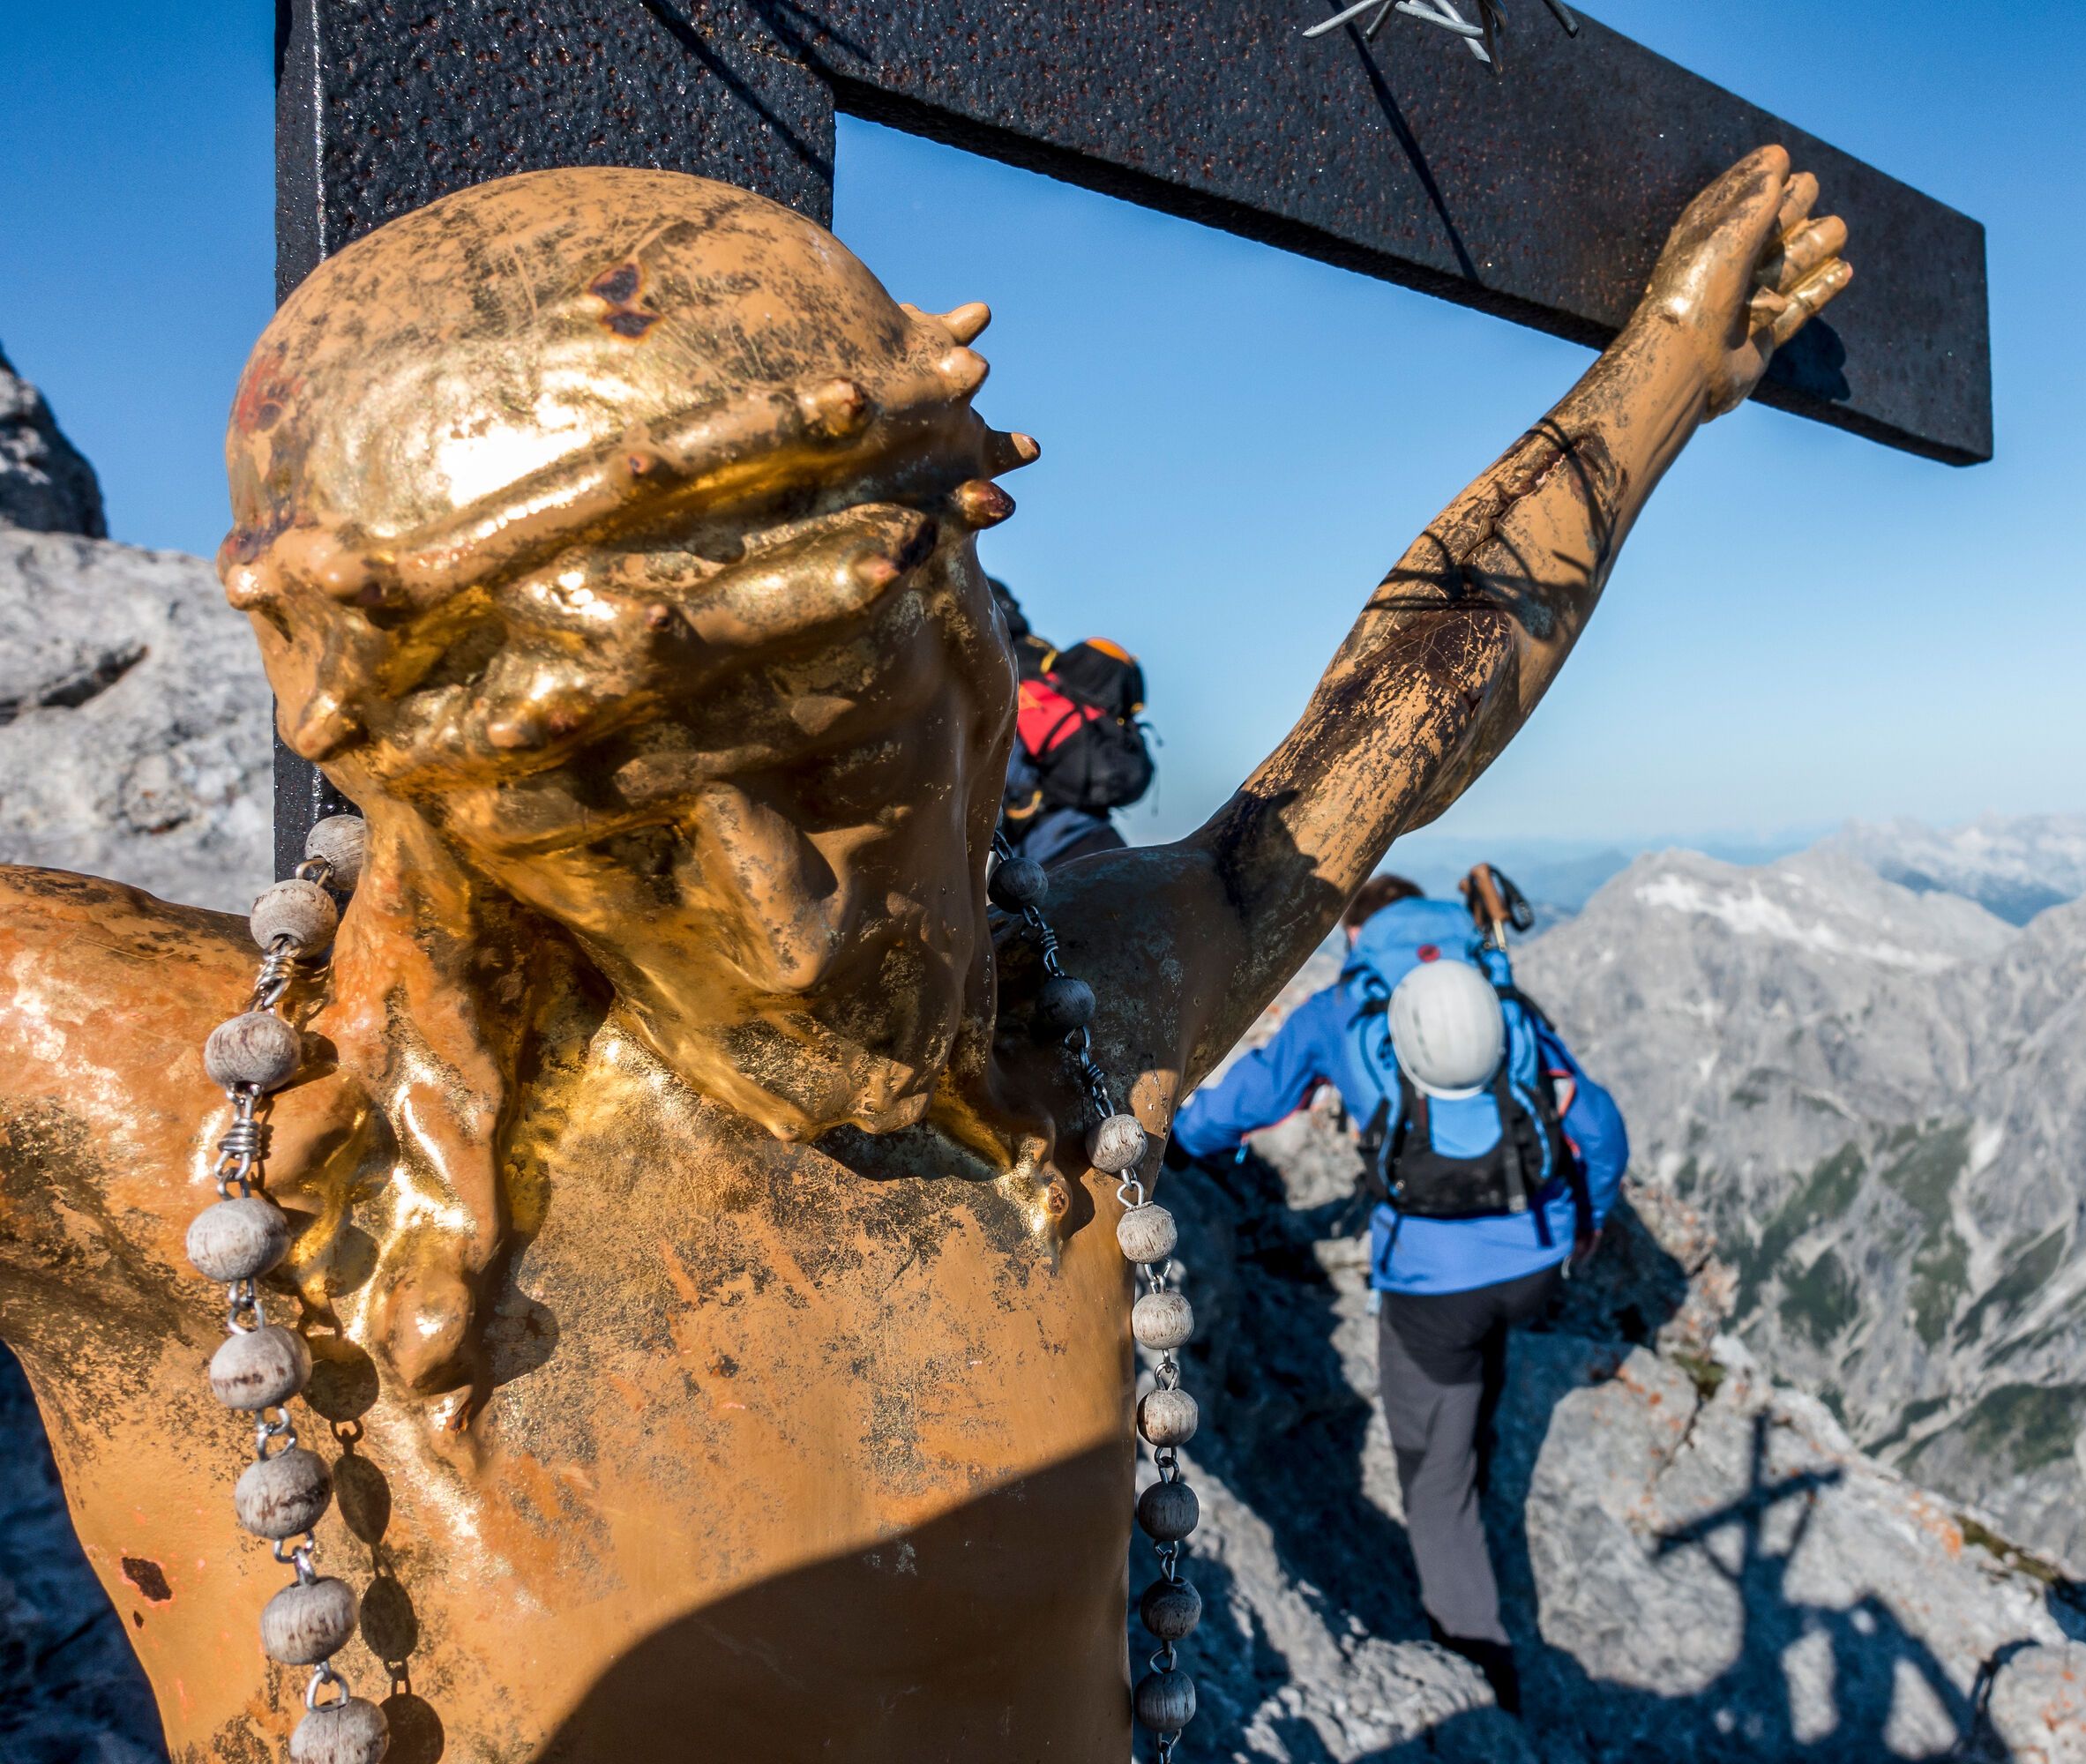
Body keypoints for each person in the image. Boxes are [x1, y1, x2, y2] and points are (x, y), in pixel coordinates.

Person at [0, 144, 1847, 1760]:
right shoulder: (186, 1140)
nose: (787, 925)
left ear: (977, 651)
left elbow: (1400, 717)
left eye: (842, 751)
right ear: (436, 821)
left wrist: (1661, 377)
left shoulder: (1062, 1032)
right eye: (610, 821)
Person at [1168, 871, 1628, 1712]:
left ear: (1355, 935)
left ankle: (1482, 1667)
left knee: (1436, 1485)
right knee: (1479, 1361)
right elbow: (1597, 1124)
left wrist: (1174, 1140)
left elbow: (1242, 1105)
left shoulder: (1341, 1010)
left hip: (1430, 1288)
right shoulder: (1498, 993)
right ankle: (1475, 1424)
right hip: (1537, 1260)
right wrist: (1587, 1221)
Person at [986, 578, 1155, 867]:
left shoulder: (1010, 686)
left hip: (1050, 857)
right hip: (1100, 843)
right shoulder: (1043, 672)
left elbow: (1007, 780)